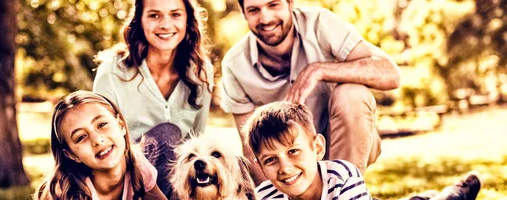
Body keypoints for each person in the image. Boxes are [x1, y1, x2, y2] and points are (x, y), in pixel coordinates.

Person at [220, 0, 401, 184]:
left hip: (348, 142)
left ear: (290, 3)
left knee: (352, 93)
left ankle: (342, 190)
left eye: (273, 5)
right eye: (254, 10)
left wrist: (319, 70)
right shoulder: (234, 65)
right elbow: (251, 149)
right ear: (243, 14)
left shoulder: (321, 23)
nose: (265, 18)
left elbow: (390, 73)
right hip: (287, 161)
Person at [92, 0, 213, 197]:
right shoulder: (112, 72)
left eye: (175, 14)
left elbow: (197, 139)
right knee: (167, 134)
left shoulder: (200, 72)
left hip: (179, 179)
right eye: (154, 15)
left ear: (187, 21)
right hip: (125, 177)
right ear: (139, 21)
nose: (165, 24)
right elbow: (101, 138)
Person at [34, 91, 167, 200]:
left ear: (120, 125)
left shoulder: (137, 166)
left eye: (102, 124)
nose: (97, 139)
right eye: (81, 137)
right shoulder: (64, 193)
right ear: (71, 155)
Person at [244, 101, 372, 200]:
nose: (285, 168)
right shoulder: (263, 196)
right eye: (270, 160)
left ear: (317, 148)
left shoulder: (342, 178)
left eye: (293, 151)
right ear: (261, 168)